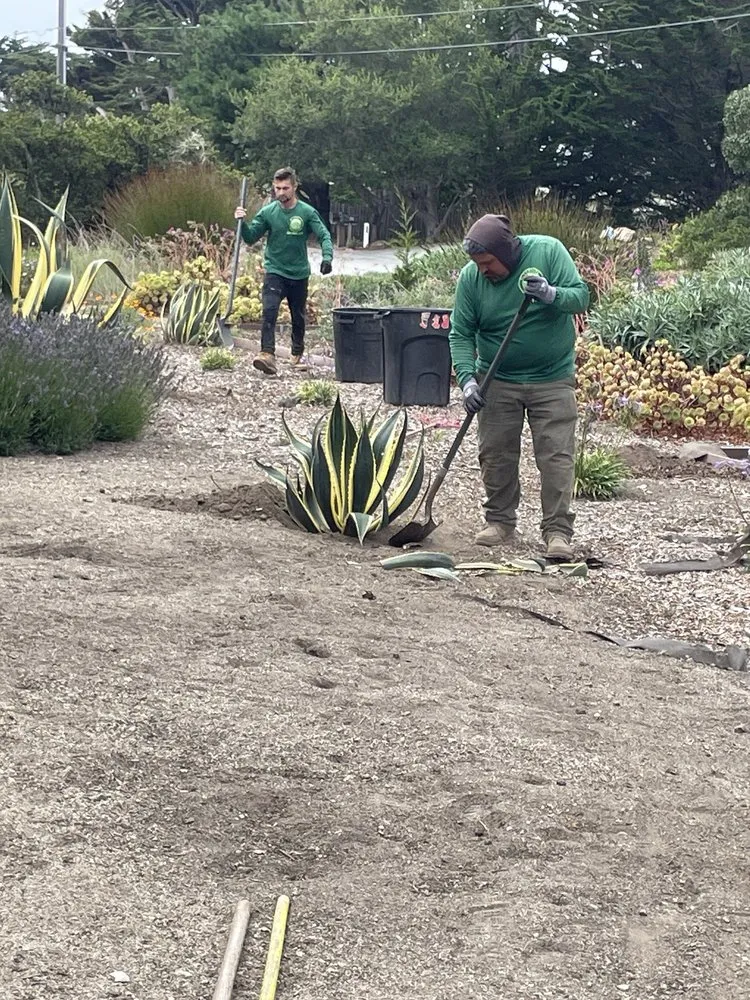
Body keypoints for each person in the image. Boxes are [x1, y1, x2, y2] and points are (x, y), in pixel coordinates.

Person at [448, 213, 590, 560]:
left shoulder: (548, 252)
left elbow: (581, 298)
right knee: (495, 453)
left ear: (507, 253)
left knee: (556, 456)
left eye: (488, 262)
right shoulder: (471, 280)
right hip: (497, 380)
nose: (483, 269)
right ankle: (499, 521)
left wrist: (550, 293)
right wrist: (467, 381)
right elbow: (461, 334)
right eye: (477, 263)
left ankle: (557, 531)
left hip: (552, 377)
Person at [234, 167, 334, 375]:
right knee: (269, 310)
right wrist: (242, 223)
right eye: (277, 188)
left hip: (298, 273)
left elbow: (324, 235)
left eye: (285, 188)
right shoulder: (268, 213)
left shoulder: (306, 212)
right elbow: (251, 237)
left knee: (298, 316)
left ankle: (296, 354)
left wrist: (327, 258)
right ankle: (267, 354)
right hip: (275, 270)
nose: (281, 192)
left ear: (294, 187)